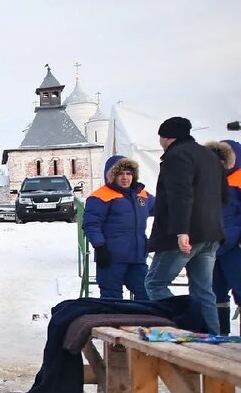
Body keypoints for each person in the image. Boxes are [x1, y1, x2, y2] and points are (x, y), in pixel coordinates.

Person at [144, 117, 229, 334]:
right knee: (204, 290)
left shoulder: (176, 156)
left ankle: (186, 325)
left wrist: (183, 231)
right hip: (211, 233)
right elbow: (223, 196)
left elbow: (180, 195)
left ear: (167, 137)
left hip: (184, 234)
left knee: (155, 283)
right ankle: (211, 337)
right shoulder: (210, 156)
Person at [82, 156, 153, 301]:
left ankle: (146, 322)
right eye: (120, 174)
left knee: (147, 294)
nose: (125, 177)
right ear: (112, 176)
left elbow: (163, 208)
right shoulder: (100, 196)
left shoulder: (142, 195)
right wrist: (100, 247)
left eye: (128, 173)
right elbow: (92, 224)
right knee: (112, 299)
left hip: (137, 257)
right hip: (111, 257)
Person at [209, 140, 241, 334]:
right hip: (212, 245)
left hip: (235, 245)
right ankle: (222, 334)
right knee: (215, 293)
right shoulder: (206, 182)